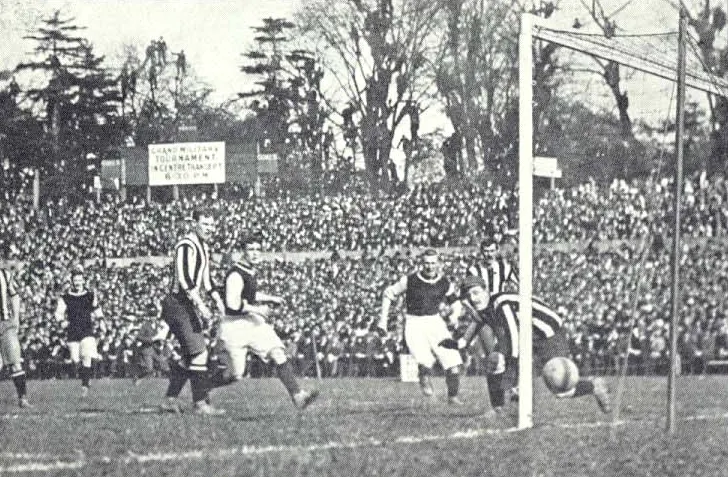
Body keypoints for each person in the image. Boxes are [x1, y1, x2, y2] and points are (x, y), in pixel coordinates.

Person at [447, 276, 611, 418]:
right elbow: (478, 325)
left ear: (486, 291)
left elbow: (513, 338)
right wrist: (457, 344)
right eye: (469, 295)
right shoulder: (485, 308)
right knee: (495, 361)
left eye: (476, 293)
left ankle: (594, 386)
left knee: (560, 388)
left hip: (547, 333)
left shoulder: (501, 303)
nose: (473, 298)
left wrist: (512, 368)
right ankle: (498, 408)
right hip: (527, 334)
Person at [216, 235, 319, 409]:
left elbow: (248, 295)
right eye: (251, 250)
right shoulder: (235, 273)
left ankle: (297, 396)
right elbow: (232, 304)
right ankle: (201, 389)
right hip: (234, 325)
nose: (255, 253)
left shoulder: (248, 270)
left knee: (277, 352)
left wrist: (271, 298)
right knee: (235, 374)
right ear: (242, 252)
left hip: (251, 321)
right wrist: (259, 309)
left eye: (258, 249)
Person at [160, 208, 225, 415]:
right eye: (205, 224)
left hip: (186, 304)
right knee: (200, 352)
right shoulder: (185, 245)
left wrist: (219, 303)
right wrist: (202, 306)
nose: (210, 229)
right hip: (176, 304)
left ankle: (169, 400)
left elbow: (207, 281)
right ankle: (200, 404)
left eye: (212, 225)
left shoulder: (203, 247)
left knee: (190, 356)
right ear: (194, 223)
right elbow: (185, 281)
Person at [378, 248, 463, 404]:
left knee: (453, 360)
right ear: (421, 263)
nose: (430, 267)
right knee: (425, 360)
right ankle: (423, 376)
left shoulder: (444, 282)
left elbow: (456, 303)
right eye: (426, 263)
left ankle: (453, 397)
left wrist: (454, 315)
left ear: (438, 264)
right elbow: (388, 293)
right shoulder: (410, 280)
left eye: (433, 263)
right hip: (414, 322)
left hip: (435, 321)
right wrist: (382, 320)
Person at [54, 268, 104, 397]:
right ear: (71, 282)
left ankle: (85, 385)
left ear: (83, 281)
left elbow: (97, 309)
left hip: (87, 329)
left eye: (79, 280)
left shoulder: (90, 295)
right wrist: (61, 322)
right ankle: (86, 378)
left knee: (87, 355)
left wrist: (101, 322)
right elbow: (58, 313)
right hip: (72, 331)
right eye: (75, 280)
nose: (77, 283)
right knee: (76, 360)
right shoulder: (66, 298)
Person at [0, 267, 30, 407]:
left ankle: (23, 399)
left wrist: (16, 317)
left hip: (5, 324)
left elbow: (14, 295)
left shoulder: (5, 274)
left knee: (15, 360)